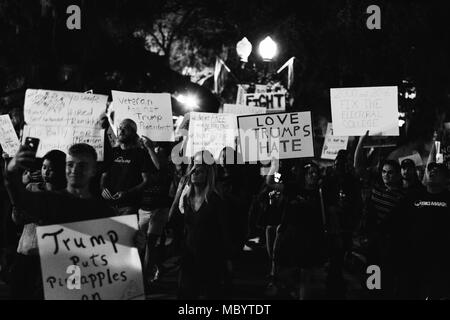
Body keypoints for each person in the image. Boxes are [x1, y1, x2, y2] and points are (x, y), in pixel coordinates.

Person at [9, 150, 66, 299]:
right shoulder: (31, 188)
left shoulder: (65, 197)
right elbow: (17, 219)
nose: (46, 172)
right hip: (25, 250)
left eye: (51, 169)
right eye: (44, 167)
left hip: (48, 257)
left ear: (61, 171)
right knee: (19, 292)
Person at [176, 151, 233, 299]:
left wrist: (227, 259)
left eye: (200, 171)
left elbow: (224, 230)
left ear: (207, 175)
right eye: (193, 170)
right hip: (189, 255)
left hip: (210, 256)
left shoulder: (215, 200)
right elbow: (185, 228)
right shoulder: (187, 200)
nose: (195, 173)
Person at [393, 162, 450, 299]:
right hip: (413, 258)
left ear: (446, 179)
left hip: (440, 261)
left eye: (437, 171)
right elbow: (396, 220)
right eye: (430, 169)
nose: (432, 172)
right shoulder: (413, 196)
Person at [274, 162, 327, 300]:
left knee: (306, 275)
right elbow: (272, 182)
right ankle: (292, 290)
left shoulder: (321, 192)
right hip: (292, 237)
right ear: (304, 175)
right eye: (311, 173)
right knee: (287, 273)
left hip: (310, 239)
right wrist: (275, 167)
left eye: (316, 173)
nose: (314, 176)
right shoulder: (293, 188)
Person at [322, 150, 362, 299]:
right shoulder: (328, 180)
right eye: (338, 163)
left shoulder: (352, 181)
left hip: (346, 225)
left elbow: (358, 202)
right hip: (332, 226)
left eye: (343, 163)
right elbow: (323, 200)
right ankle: (333, 288)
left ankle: (339, 287)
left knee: (342, 258)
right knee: (334, 259)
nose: (340, 166)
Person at [101, 119, 152, 216]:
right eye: (120, 128)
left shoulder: (141, 153)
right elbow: (104, 175)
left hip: (129, 206)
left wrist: (127, 193)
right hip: (109, 205)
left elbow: (146, 181)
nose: (121, 131)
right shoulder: (113, 152)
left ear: (133, 132)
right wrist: (103, 188)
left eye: (126, 129)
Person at [139, 137, 172, 284]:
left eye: (161, 152)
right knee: (141, 244)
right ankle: (151, 269)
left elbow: (160, 166)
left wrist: (151, 148)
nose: (158, 153)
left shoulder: (165, 166)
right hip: (143, 208)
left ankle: (145, 278)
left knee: (151, 244)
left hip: (159, 208)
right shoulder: (143, 160)